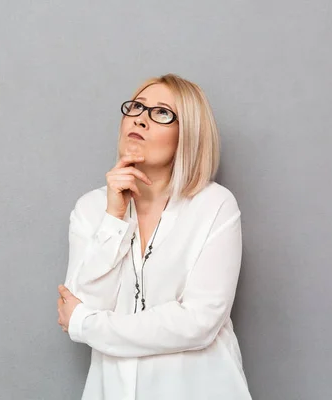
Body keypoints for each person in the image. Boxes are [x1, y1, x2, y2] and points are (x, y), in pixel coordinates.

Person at [57, 73, 252, 400]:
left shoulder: (214, 205)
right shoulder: (91, 209)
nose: (141, 119)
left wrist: (89, 325)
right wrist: (114, 218)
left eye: (161, 113)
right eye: (136, 107)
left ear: (187, 134)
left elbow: (198, 322)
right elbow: (84, 305)